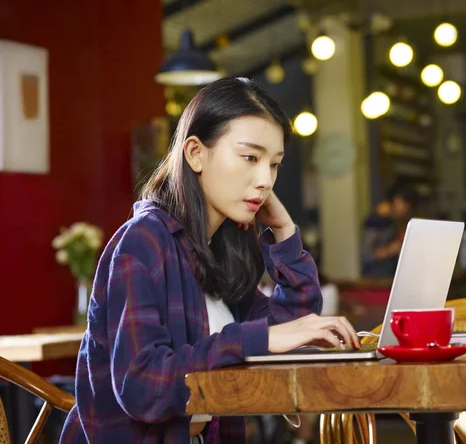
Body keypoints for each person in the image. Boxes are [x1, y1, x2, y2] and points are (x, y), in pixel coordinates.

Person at [59, 77, 360, 444]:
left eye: (275, 164)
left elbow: (295, 329)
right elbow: (143, 386)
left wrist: (283, 229)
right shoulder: (142, 242)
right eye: (250, 157)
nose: (265, 180)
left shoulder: (217, 249)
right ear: (196, 153)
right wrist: (258, 339)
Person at [361, 180, 419, 277]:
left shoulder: (393, 220)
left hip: (389, 275)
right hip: (376, 279)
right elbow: (367, 255)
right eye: (406, 206)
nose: (406, 211)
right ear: (397, 200)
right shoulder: (374, 221)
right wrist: (390, 250)